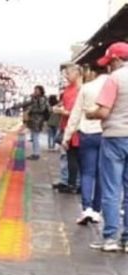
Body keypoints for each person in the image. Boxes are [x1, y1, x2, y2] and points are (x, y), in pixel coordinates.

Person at [87, 42, 128, 252]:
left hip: (115, 137)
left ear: (116, 59)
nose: (108, 67)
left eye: (109, 62)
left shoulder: (115, 79)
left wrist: (90, 114)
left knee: (112, 189)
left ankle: (110, 237)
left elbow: (103, 112)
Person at [62, 63, 106, 226]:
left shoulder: (87, 88)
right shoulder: (115, 86)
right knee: (102, 173)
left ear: (91, 72)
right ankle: (97, 209)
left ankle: (86, 208)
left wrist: (67, 137)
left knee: (87, 172)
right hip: (107, 133)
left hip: (87, 133)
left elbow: (75, 114)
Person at [56, 64, 82, 193]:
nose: (66, 76)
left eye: (68, 73)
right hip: (65, 125)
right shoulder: (69, 88)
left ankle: (73, 183)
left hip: (74, 127)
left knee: (73, 157)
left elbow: (74, 111)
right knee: (65, 156)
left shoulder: (79, 89)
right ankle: (66, 180)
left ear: (77, 73)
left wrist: (63, 111)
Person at [24, 86, 50, 159]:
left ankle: (36, 154)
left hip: (38, 120)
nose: (35, 91)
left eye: (37, 90)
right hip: (35, 120)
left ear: (41, 91)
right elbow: (26, 103)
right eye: (34, 90)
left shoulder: (41, 99)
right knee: (35, 137)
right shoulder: (36, 98)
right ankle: (35, 153)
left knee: (35, 137)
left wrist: (32, 110)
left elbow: (42, 109)